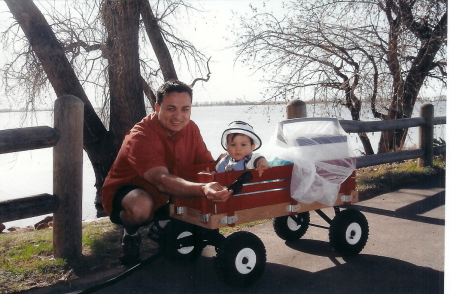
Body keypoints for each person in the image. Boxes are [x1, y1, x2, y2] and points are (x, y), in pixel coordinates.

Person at [101, 80, 232, 264]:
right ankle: (131, 234)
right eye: (171, 108)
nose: (179, 116)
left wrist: (230, 161)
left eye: (185, 109)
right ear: (157, 107)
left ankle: (164, 223)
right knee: (141, 208)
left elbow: (205, 165)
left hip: (170, 191)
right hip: (130, 190)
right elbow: (161, 180)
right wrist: (203, 189)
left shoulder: (191, 128)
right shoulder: (141, 136)